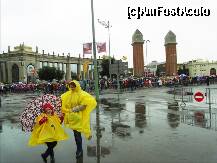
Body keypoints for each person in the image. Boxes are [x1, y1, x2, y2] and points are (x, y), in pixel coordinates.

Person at [61, 80, 97, 159]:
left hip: (79, 117)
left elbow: (84, 105)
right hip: (72, 118)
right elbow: (63, 102)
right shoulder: (68, 94)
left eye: (73, 85)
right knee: (76, 134)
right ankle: (79, 148)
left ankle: (79, 150)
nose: (72, 87)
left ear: (76, 85)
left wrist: (73, 109)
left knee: (77, 135)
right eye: (71, 85)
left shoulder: (82, 94)